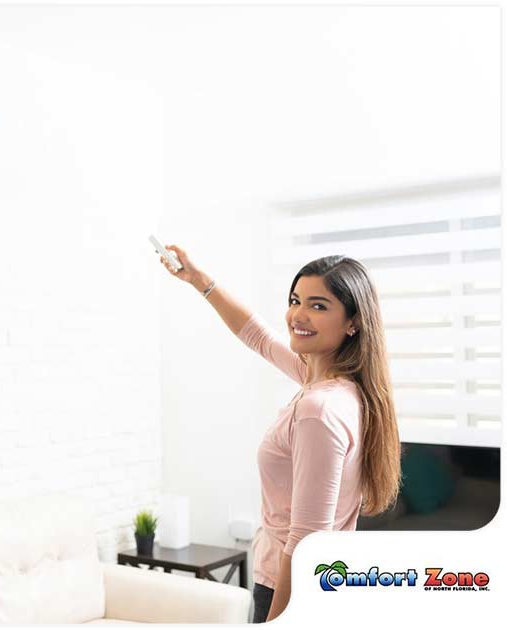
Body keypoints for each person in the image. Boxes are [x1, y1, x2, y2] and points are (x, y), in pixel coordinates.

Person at [159, 244, 402, 623]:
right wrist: (198, 280)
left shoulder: (318, 410)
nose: (298, 315)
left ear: (353, 322)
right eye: (295, 300)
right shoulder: (341, 388)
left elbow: (307, 541)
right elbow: (257, 334)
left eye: (319, 306)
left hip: (290, 589)